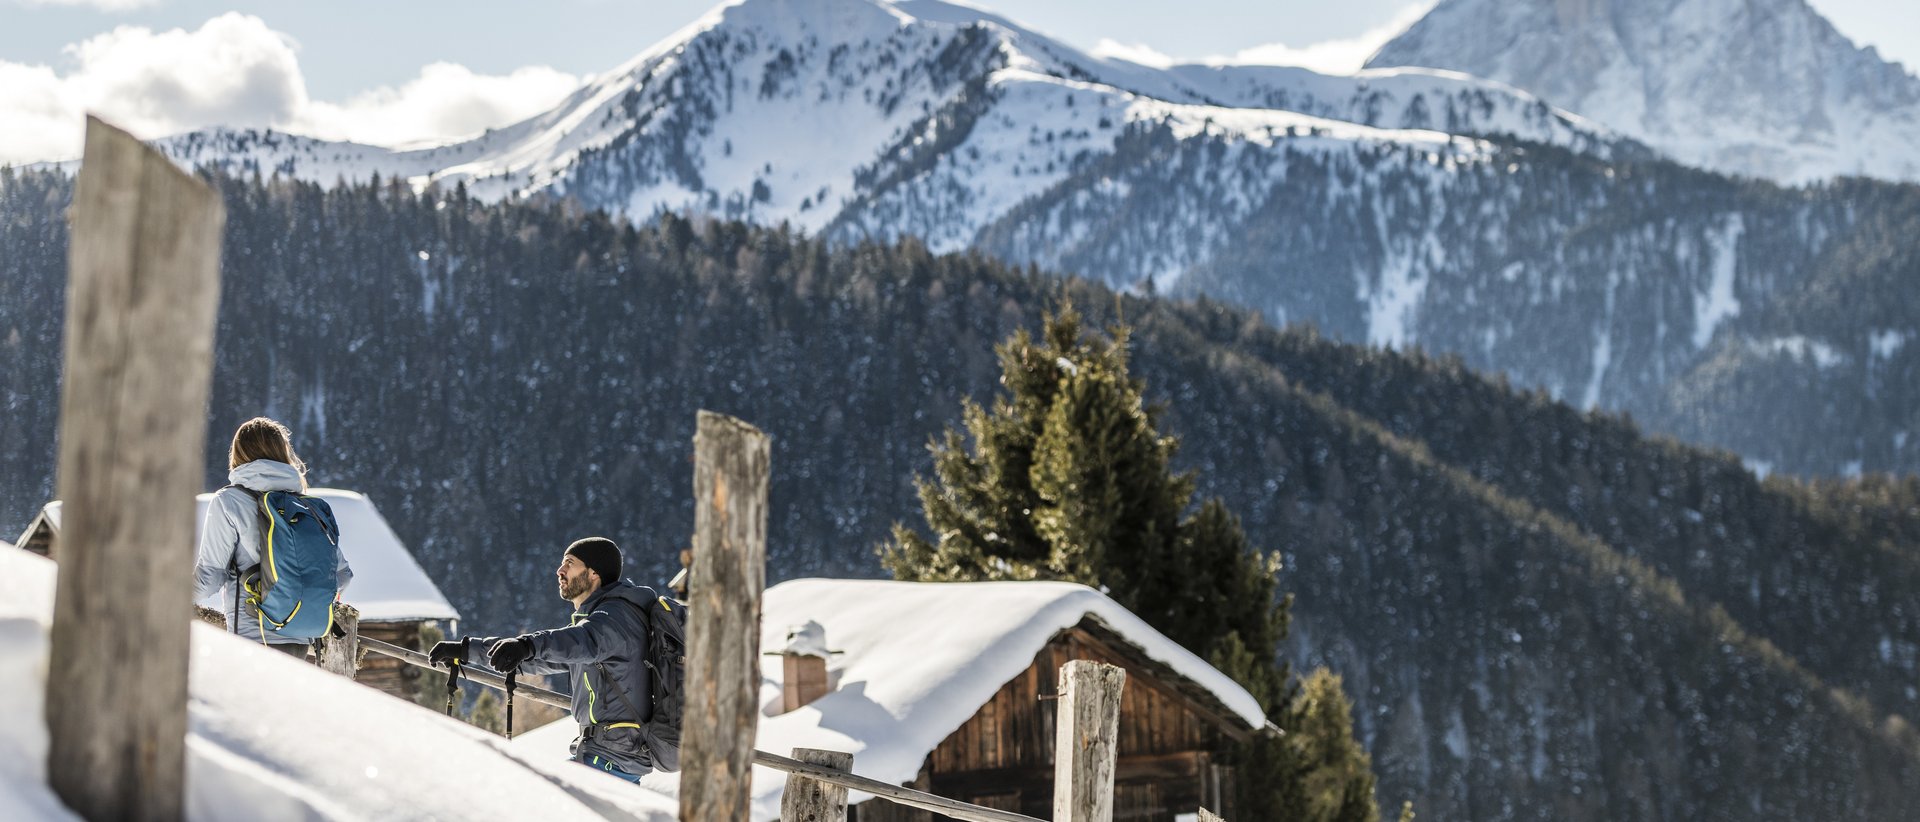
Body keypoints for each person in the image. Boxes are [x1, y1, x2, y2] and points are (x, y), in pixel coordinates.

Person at [430, 537, 661, 782]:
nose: (559, 571)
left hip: (610, 759)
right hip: (610, 756)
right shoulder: (605, 620)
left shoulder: (615, 617)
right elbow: (539, 659)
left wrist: (526, 644)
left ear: (594, 573)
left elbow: (578, 640)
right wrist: (467, 651)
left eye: (569, 563)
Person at [193, 417, 353, 659]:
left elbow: (209, 578)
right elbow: (342, 575)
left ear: (238, 454)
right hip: (301, 639)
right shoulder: (307, 507)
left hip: (252, 639)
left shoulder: (229, 501)